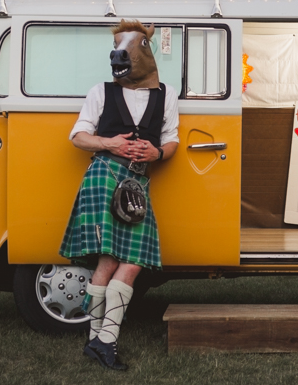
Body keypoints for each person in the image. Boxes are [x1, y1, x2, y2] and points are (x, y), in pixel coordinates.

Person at [59, 20, 179, 371]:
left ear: (145, 51)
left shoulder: (166, 95)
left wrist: (157, 154)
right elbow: (78, 136)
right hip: (103, 175)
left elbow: (171, 139)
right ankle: (105, 342)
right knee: (110, 260)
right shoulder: (101, 92)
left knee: (131, 259)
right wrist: (110, 142)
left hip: (138, 183)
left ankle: (97, 342)